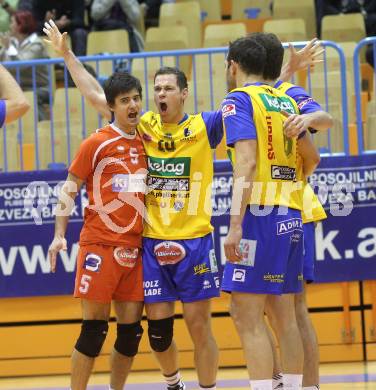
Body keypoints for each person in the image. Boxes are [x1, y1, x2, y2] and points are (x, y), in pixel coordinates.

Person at [43, 20, 323, 390]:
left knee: (200, 324)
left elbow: (256, 97)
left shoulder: (204, 126)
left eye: (168, 88)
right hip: (153, 242)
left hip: (195, 242)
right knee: (158, 334)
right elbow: (98, 98)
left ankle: (211, 386)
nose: (160, 94)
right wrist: (67, 55)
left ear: (183, 94)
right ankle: (175, 382)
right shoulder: (143, 128)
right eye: (156, 88)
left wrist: (285, 70)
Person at [47, 72, 147, 390]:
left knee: (131, 335)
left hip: (136, 246)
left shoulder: (148, 138)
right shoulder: (97, 142)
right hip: (101, 245)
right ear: (112, 107)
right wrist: (59, 234)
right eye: (124, 101)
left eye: (136, 98)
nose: (132, 105)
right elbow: (69, 188)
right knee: (94, 331)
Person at [221, 35, 309, 390]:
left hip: (259, 214)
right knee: (284, 316)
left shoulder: (238, 100)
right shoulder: (285, 99)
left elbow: (246, 159)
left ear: (233, 66)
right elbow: (311, 157)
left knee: (246, 315)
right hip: (290, 211)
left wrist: (234, 224)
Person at [247, 32, 333, 390]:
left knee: (294, 308)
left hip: (294, 208)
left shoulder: (288, 95)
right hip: (266, 210)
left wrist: (306, 118)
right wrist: (289, 69)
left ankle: (307, 385)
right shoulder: (260, 96)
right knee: (266, 307)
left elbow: (326, 118)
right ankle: (282, 380)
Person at [0, 10, 49, 119]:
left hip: (39, 88)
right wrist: (5, 47)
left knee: (31, 97)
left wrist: (8, 47)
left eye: (12, 22)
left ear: (21, 24)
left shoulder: (37, 45)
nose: (10, 26)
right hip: (19, 88)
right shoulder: (11, 43)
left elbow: (21, 65)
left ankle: (39, 128)